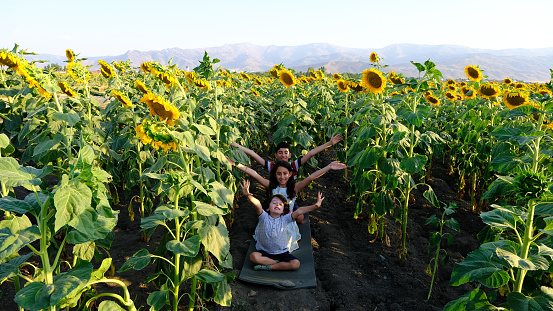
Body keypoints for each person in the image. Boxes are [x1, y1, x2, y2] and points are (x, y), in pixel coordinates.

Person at [226, 157, 346, 251]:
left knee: (284, 246)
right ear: (274, 175)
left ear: (290, 174)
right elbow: (255, 174)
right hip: (271, 220)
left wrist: (329, 167)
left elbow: (312, 177)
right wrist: (236, 164)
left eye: (285, 173)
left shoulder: (295, 187)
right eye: (279, 174)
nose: (282, 177)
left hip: (286, 222)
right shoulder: (271, 185)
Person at [240, 179, 324, 271]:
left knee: (296, 264)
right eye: (274, 203)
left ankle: (268, 266)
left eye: (280, 204)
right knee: (253, 257)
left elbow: (299, 211)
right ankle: (277, 263)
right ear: (268, 208)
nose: (277, 205)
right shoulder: (263, 217)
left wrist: (316, 206)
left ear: (283, 211)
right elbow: (258, 205)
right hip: (264, 251)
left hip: (281, 252)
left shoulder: (285, 219)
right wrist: (248, 196)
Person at [230, 134, 343, 180]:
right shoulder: (272, 166)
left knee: (299, 217)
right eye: (280, 152)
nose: (283, 155)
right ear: (276, 155)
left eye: (285, 153)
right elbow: (254, 154)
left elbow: (310, 153)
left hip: (290, 197)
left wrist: (329, 144)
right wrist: (238, 146)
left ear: (289, 155)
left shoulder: (294, 165)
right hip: (274, 198)